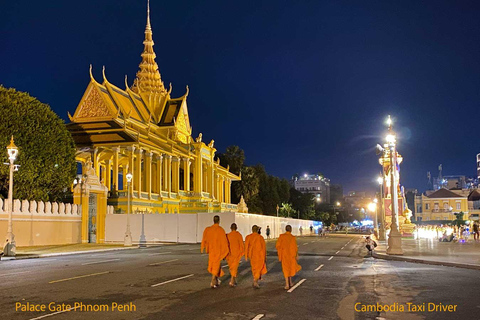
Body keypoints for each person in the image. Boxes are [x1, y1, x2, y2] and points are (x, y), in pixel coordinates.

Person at [201, 215, 229, 288]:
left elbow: (205, 239)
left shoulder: (208, 229)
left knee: (214, 265)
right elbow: (224, 242)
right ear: (219, 221)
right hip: (218, 250)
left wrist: (205, 247)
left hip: (211, 250)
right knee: (216, 265)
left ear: (213, 220)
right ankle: (213, 280)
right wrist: (224, 252)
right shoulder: (221, 230)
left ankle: (216, 280)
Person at [276, 225, 302, 290]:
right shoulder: (292, 237)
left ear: (285, 229)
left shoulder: (281, 236)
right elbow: (295, 247)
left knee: (286, 269)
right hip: (291, 255)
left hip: (284, 255)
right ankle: (290, 282)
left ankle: (287, 284)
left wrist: (281, 252)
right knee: (290, 268)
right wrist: (296, 255)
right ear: (291, 230)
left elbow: (277, 246)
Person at [226, 223, 244, 287]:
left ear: (230, 228)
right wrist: (242, 253)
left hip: (229, 254)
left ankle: (233, 280)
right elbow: (241, 245)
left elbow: (226, 245)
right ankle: (232, 280)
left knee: (231, 267)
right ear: (236, 228)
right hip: (236, 253)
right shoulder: (239, 235)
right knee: (234, 267)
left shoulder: (228, 235)